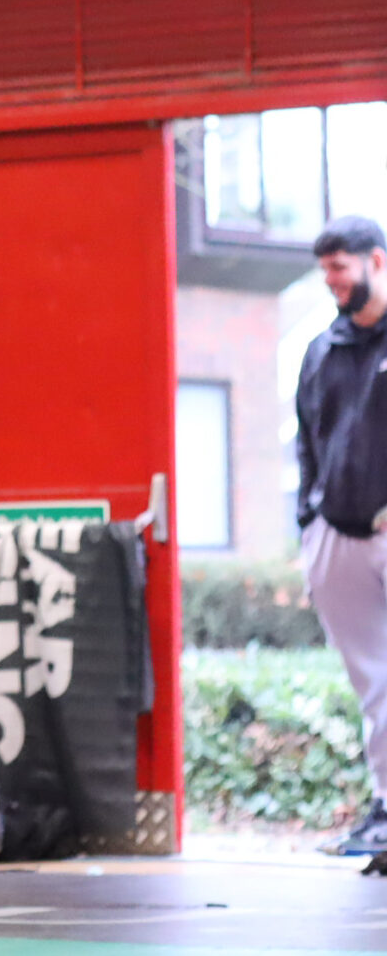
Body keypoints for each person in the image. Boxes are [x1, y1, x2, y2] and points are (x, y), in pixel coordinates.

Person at [296, 214, 387, 857]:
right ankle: (386, 807)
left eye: (339, 267)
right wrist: (310, 522)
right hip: (337, 536)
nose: (330, 280)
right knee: (374, 680)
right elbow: (308, 441)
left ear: (376, 261)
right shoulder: (321, 350)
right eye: (324, 269)